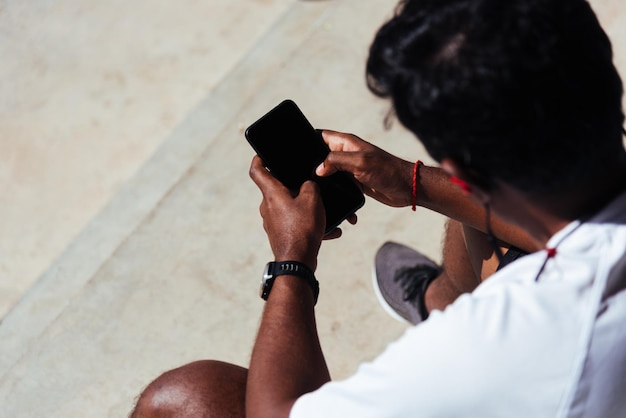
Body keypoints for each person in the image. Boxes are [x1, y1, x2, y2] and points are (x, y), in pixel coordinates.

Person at [130, 0, 626, 416]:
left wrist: (292, 259)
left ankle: (442, 304)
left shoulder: (502, 337)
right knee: (482, 225)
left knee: (179, 399)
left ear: (463, 171)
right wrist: (412, 182)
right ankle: (438, 300)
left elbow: (280, 413)